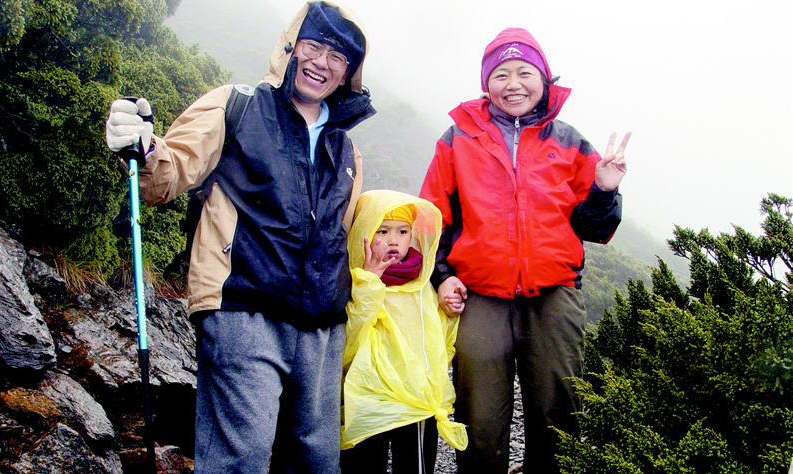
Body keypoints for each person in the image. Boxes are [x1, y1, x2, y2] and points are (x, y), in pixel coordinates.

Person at [104, 2, 374, 472]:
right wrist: (144, 147)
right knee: (241, 457)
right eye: (313, 46)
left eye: (337, 57)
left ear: (348, 73)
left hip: (322, 326)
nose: (321, 62)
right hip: (241, 305)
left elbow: (344, 234)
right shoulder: (237, 104)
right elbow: (172, 170)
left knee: (316, 458)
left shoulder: (345, 147)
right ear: (291, 48)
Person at [419, 27, 632, 473]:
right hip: (478, 294)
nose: (512, 83)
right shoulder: (458, 138)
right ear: (486, 83)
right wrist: (442, 276)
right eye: (500, 74)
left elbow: (595, 227)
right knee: (479, 418)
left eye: (524, 72)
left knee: (559, 415)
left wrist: (605, 190)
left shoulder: (570, 141)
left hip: (554, 295)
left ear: (544, 78)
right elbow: (433, 215)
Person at [339, 189, 468, 474]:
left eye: (402, 231)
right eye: (382, 231)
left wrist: (450, 309)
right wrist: (369, 283)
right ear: (363, 230)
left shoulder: (424, 282)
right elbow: (349, 341)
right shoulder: (352, 279)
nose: (393, 241)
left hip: (416, 402)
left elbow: (437, 341)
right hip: (368, 398)